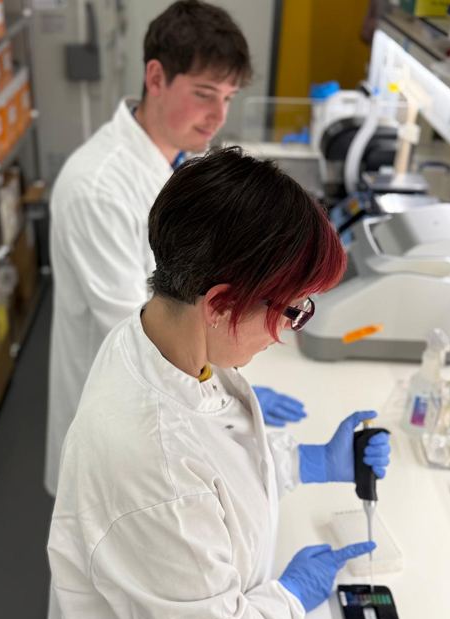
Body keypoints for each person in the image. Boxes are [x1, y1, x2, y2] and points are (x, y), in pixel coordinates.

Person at [47, 148, 391, 619]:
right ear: (219, 304)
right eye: (289, 310)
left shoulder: (158, 336)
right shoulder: (150, 457)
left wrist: (306, 461)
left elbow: (212, 462)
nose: (285, 333)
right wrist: (292, 596)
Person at [44, 0, 306, 497]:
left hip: (173, 399)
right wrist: (230, 391)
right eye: (205, 94)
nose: (218, 115)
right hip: (122, 417)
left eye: (229, 97)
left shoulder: (182, 160)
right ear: (156, 77)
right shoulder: (97, 187)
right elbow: (144, 331)